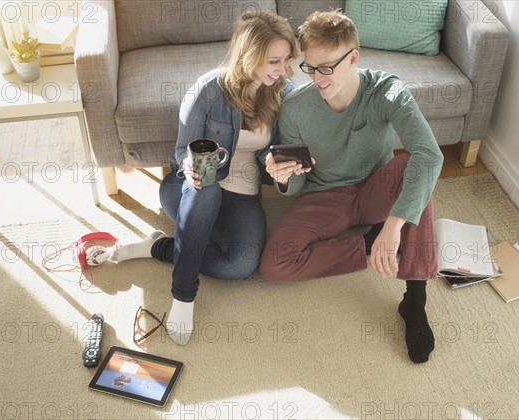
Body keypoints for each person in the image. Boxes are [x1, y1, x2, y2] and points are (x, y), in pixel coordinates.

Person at [260, 10, 443, 363]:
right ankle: (368, 244)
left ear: (353, 58)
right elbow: (297, 183)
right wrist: (282, 177)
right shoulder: (295, 108)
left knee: (414, 165)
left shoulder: (387, 91)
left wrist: (394, 225)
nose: (318, 78)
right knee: (274, 265)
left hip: (376, 189)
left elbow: (430, 156)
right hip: (325, 194)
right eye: (310, 68)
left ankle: (415, 300)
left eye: (326, 67)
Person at [109, 11, 300, 346]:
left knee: (241, 265)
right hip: (187, 189)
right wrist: (193, 170)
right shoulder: (209, 91)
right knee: (207, 184)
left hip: (242, 197)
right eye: (273, 61)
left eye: (286, 60)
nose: (282, 69)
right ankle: (183, 296)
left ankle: (157, 247)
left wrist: (279, 168)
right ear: (249, 54)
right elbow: (182, 153)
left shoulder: (283, 93)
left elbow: (278, 154)